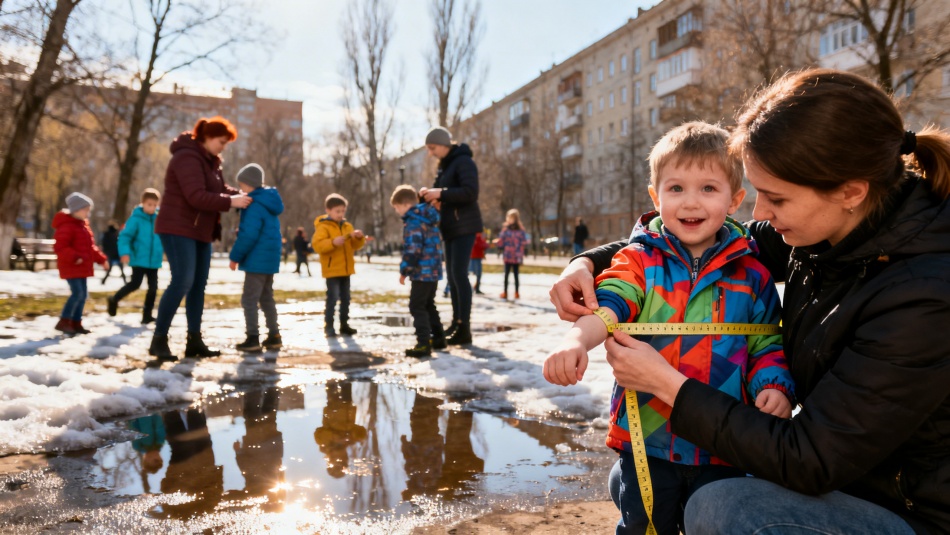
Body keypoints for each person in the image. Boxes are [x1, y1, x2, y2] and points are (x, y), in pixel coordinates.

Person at [549, 69, 950, 534]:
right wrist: (586, 264)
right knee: (639, 482)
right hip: (850, 480)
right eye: (758, 193)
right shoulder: (825, 230)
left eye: (775, 197)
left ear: (850, 192)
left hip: (912, 515)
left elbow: (810, 459)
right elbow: (693, 243)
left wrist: (667, 384)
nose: (758, 213)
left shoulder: (925, 295)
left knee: (725, 508)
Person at [544, 122, 795, 535]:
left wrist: (774, 385)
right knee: (643, 525)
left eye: (708, 189)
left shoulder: (753, 274)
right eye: (676, 188)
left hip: (723, 444)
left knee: (710, 522)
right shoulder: (638, 262)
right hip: (649, 441)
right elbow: (607, 308)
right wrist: (576, 340)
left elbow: (766, 339)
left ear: (735, 200)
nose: (690, 202)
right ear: (655, 196)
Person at [148, 116, 252, 361]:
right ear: (206, 137)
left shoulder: (210, 162)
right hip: (177, 228)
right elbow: (196, 196)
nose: (223, 147)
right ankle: (159, 339)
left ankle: (194, 340)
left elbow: (218, 190)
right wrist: (231, 201)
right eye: (221, 141)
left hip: (200, 231)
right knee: (182, 280)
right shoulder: (186, 157)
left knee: (198, 286)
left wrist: (243, 195)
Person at [420, 126, 482, 346]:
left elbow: (470, 192)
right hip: (450, 226)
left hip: (464, 224)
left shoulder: (464, 161)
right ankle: (456, 323)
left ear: (444, 144)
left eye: (432, 147)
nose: (431, 153)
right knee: (453, 277)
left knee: (459, 274)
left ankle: (464, 328)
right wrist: (433, 196)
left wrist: (441, 193)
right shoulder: (445, 166)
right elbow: (444, 193)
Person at [228, 164, 284, 353]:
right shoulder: (269, 201)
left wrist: (235, 256)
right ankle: (274, 335)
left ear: (249, 184)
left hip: (256, 261)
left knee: (249, 300)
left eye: (242, 185)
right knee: (267, 298)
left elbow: (249, 235)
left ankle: (253, 338)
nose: (241, 189)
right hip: (269, 259)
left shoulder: (253, 204)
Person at [391, 184, 445, 357]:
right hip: (433, 270)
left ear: (405, 205)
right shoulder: (428, 217)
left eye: (396, 208)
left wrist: (404, 270)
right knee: (429, 304)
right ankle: (438, 337)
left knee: (417, 306)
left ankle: (423, 343)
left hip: (422, 271)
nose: (397, 212)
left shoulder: (413, 221)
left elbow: (413, 249)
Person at [52, 192, 108, 335]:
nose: (88, 213)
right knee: (77, 293)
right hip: (71, 266)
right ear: (76, 209)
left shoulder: (83, 226)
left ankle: (76, 322)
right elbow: (60, 247)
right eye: (86, 209)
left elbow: (91, 248)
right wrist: (75, 257)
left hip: (82, 267)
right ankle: (64, 321)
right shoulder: (67, 226)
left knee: (83, 295)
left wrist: (101, 259)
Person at [312, 193, 366, 338]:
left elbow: (354, 245)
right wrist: (332, 242)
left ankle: (344, 324)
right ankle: (329, 326)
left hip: (346, 269)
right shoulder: (323, 227)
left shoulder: (347, 226)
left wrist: (359, 238)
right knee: (332, 298)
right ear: (328, 210)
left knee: (346, 299)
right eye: (337, 211)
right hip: (332, 270)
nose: (340, 214)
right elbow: (317, 245)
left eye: (343, 211)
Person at [108, 188, 164, 324]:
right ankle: (114, 299)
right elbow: (125, 237)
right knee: (135, 284)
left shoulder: (159, 219)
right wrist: (125, 253)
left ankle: (147, 315)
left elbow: (162, 237)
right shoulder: (136, 219)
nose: (152, 207)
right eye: (149, 204)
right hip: (139, 258)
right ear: (143, 203)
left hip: (154, 260)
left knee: (153, 288)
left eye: (155, 205)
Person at [496, 209, 528, 300]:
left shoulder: (521, 230)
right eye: (510, 217)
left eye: (513, 217)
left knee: (516, 275)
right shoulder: (506, 230)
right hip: (508, 255)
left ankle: (517, 292)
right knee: (506, 274)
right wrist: (499, 247)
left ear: (516, 218)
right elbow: (501, 240)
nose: (511, 219)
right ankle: (505, 292)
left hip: (517, 255)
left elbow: (523, 241)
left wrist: (525, 250)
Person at [100, 220, 127, 284]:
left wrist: (106, 252)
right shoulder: (117, 234)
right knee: (121, 268)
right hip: (117, 253)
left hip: (110, 254)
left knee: (110, 269)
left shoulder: (106, 234)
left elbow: (104, 244)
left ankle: (103, 281)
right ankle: (125, 281)